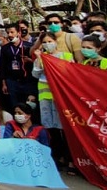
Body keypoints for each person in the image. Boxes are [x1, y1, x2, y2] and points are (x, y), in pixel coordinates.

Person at [32, 32, 76, 176]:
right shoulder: (42, 57)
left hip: (61, 96)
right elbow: (35, 74)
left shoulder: (66, 56)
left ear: (56, 41)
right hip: (45, 96)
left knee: (64, 129)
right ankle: (58, 158)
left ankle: (70, 160)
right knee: (52, 129)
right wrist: (39, 59)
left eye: (50, 41)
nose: (47, 44)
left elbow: (71, 73)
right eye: (44, 42)